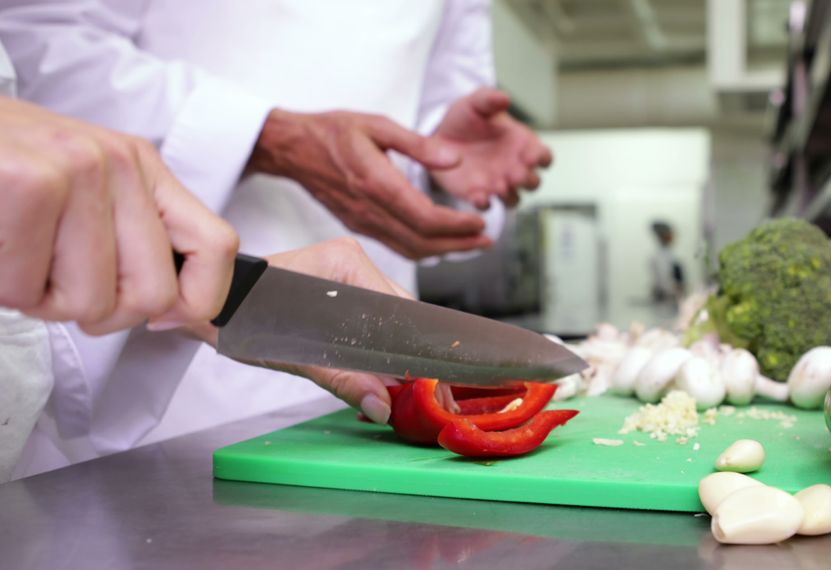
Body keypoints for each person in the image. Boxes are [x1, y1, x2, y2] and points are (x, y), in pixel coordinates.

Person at [0, 0, 552, 476]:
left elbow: (438, 105)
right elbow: (35, 46)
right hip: (162, 361)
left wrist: (441, 167)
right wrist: (264, 134)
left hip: (378, 347)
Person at [649, 221, 685, 303]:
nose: (673, 236)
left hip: (671, 297)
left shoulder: (669, 253)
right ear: (664, 236)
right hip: (665, 299)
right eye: (670, 233)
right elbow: (665, 282)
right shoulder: (658, 256)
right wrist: (677, 290)